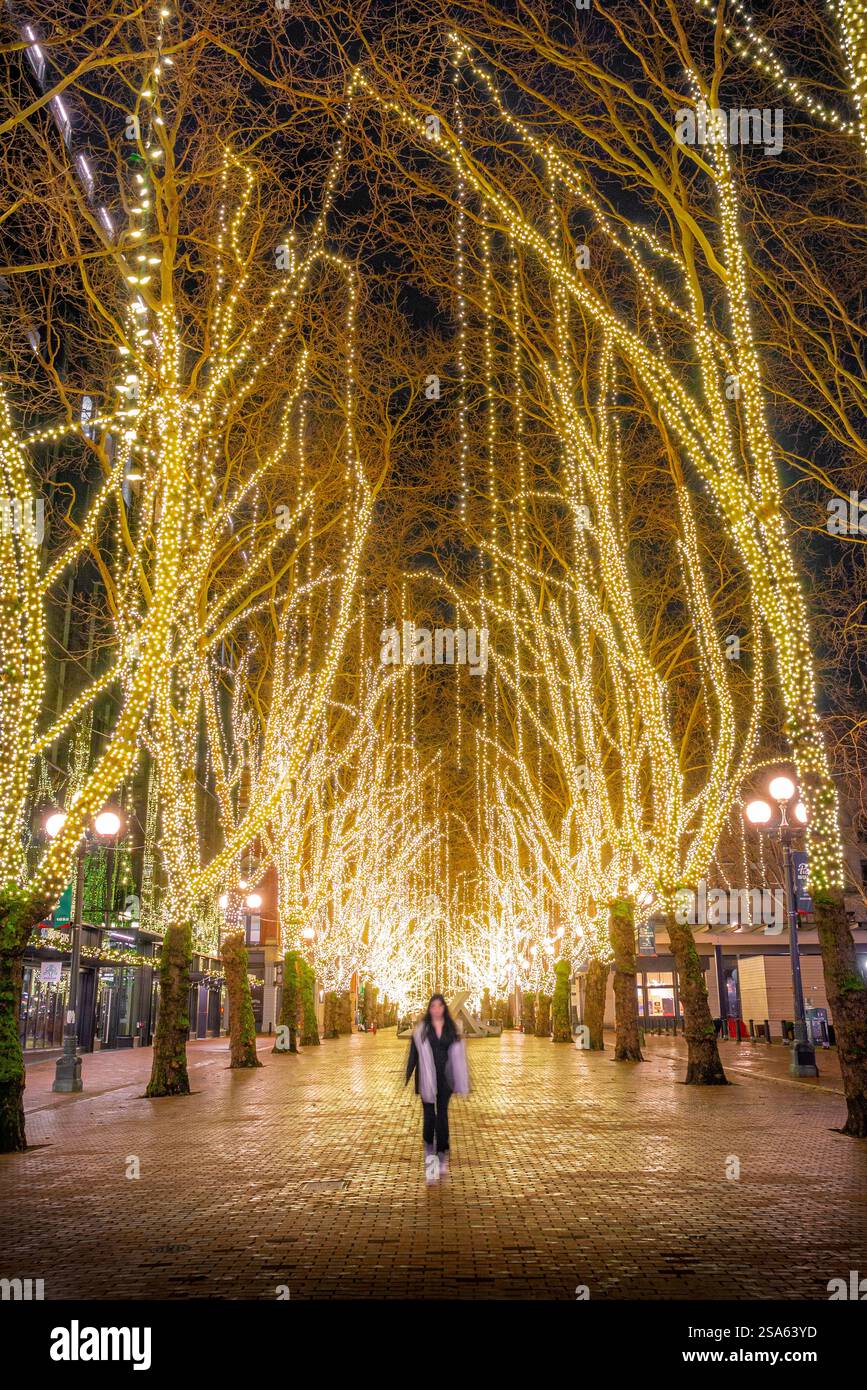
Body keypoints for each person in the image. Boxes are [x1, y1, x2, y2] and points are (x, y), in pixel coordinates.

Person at [405, 994, 470, 1184]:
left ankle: (442, 1156)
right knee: (429, 1119)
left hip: (445, 1081)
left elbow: (459, 1056)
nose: (436, 1009)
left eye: (440, 1006)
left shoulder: (452, 1029)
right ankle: (431, 1164)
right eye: (433, 1006)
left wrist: (461, 1080)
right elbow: (413, 1054)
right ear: (429, 1009)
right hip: (427, 1079)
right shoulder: (421, 1031)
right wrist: (408, 1074)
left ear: (444, 1008)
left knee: (441, 1118)